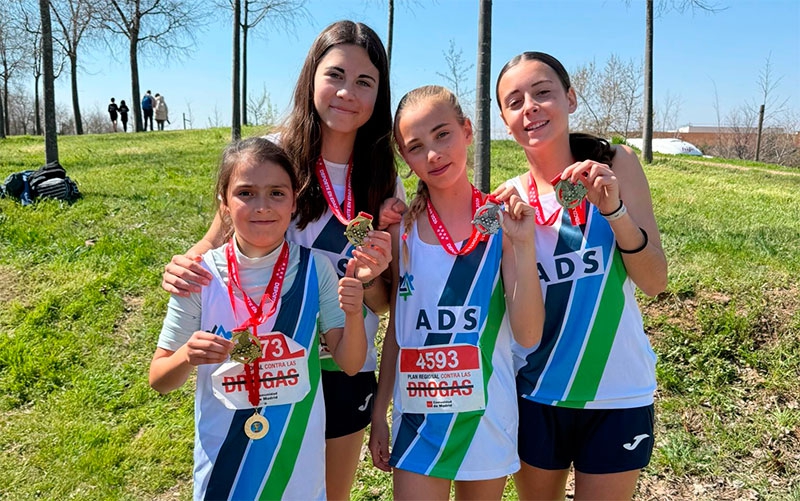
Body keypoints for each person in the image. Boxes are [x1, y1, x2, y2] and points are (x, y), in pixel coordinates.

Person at [160, 20, 404, 500]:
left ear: (379, 92)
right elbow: (213, 241)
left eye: (365, 82)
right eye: (335, 75)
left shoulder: (381, 178)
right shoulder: (271, 155)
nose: (347, 93)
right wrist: (180, 266)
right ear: (311, 77)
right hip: (270, 361)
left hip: (344, 364)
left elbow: (383, 302)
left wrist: (371, 278)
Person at [149, 137, 368, 500]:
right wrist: (187, 354)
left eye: (277, 193)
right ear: (224, 203)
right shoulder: (199, 276)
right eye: (246, 193)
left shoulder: (318, 269)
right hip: (225, 467)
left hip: (296, 464)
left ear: (294, 201)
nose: (262, 206)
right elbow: (159, 379)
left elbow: (349, 362)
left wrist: (354, 311)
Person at [492, 51, 668, 500]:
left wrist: (613, 210)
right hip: (537, 394)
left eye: (543, 92)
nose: (529, 106)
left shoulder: (616, 164)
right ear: (505, 120)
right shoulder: (508, 201)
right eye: (514, 101)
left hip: (618, 394)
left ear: (570, 98)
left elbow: (655, 282)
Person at [368, 85, 545, 500]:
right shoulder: (401, 230)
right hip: (418, 418)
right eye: (415, 147)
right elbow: (400, 327)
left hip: (486, 415)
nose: (432, 154)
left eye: (442, 134)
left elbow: (529, 335)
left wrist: (523, 244)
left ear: (467, 130)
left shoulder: (502, 222)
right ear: (405, 160)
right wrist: (380, 411)